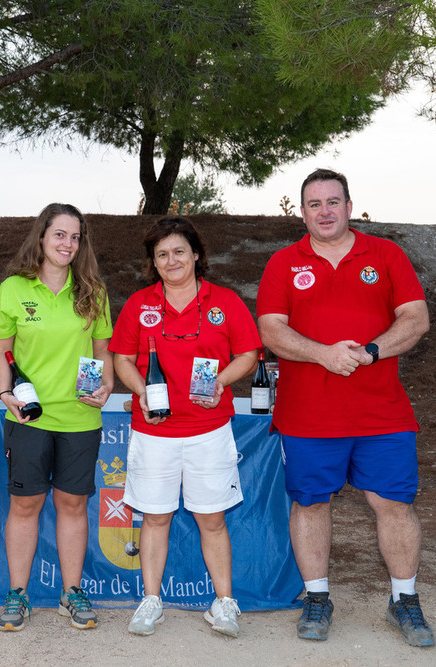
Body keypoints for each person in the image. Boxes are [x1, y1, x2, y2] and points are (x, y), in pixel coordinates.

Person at [256, 168, 434, 647]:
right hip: (309, 415)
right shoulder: (283, 263)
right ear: (302, 212)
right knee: (311, 503)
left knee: (393, 503)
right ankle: (317, 597)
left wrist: (370, 351)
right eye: (314, 204)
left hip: (382, 413)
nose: (325, 211)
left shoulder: (386, 254)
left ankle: (405, 600)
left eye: (333, 201)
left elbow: (416, 319)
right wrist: (323, 354)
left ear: (350, 206)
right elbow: (271, 330)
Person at [110, 216, 259, 638]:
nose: (171, 260)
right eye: (161, 255)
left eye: (179, 251)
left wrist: (222, 382)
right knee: (154, 518)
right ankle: (151, 601)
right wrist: (139, 389)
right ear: (153, 264)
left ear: (196, 254)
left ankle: (224, 604)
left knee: (211, 519)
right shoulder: (140, 305)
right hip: (154, 432)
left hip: (209, 429)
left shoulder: (224, 301)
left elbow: (248, 353)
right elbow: (122, 357)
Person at [0, 203, 114, 631]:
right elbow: (1, 350)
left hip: (80, 418)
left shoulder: (93, 292)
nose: (68, 244)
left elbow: (102, 353)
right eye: (60, 234)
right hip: (30, 418)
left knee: (73, 504)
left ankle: (71, 592)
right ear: (42, 237)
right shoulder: (13, 289)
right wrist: (5, 393)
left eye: (76, 237)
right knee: (25, 505)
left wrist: (107, 385)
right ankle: (18, 594)